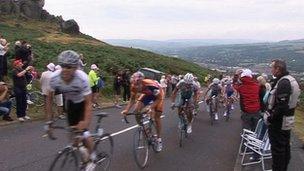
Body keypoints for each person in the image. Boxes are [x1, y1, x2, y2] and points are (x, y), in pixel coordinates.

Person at [46, 50, 96, 170]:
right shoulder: (54, 78)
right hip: (71, 104)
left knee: (84, 133)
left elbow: (89, 104)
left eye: (69, 67)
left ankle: (92, 157)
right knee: (73, 137)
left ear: (76, 68)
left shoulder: (82, 78)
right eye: (62, 65)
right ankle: (80, 149)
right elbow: (48, 100)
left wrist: (84, 123)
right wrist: (49, 122)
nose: (65, 69)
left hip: (82, 104)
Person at [264, 60, 300, 171]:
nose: (271, 70)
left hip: (279, 122)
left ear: (278, 69)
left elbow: (281, 106)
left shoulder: (283, 82)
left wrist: (270, 118)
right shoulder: (289, 79)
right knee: (284, 147)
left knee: (278, 150)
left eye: (272, 68)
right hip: (286, 120)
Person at [121, 71, 164, 152]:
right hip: (147, 95)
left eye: (137, 85)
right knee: (136, 110)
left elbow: (159, 98)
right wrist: (126, 110)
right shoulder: (133, 86)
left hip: (158, 95)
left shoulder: (150, 85)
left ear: (142, 82)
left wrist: (150, 107)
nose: (135, 86)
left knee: (157, 116)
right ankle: (141, 127)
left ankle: (159, 139)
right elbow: (132, 99)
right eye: (133, 84)